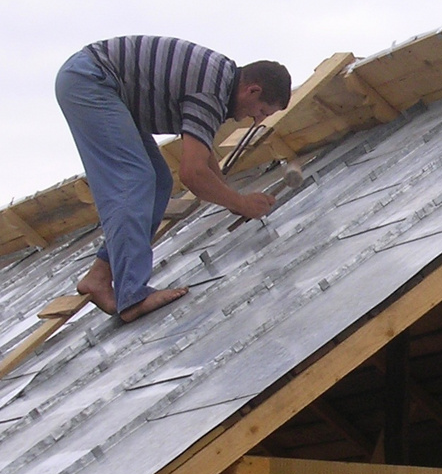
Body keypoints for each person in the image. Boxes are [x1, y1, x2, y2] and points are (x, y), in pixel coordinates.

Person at [54, 36, 292, 322]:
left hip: (98, 81)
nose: (255, 120)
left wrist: (231, 200)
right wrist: (240, 203)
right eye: (262, 112)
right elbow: (192, 174)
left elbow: (202, 160)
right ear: (252, 91)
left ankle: (100, 276)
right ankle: (132, 296)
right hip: (92, 80)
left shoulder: (219, 81)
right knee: (136, 179)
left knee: (158, 181)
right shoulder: (211, 93)